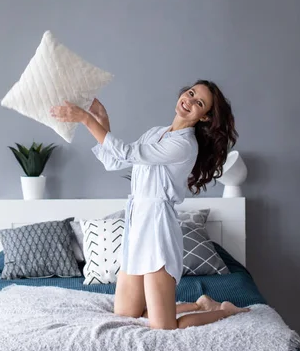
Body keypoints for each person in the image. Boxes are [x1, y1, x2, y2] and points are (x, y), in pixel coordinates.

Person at [50, 80, 250, 330]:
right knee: (126, 313)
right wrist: (103, 123)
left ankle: (223, 311)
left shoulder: (184, 145)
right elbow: (115, 161)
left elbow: (127, 152)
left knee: (164, 327)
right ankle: (200, 304)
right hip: (136, 228)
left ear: (205, 117)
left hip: (157, 230)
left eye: (199, 103)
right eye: (190, 93)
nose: (189, 101)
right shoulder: (156, 133)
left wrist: (85, 120)